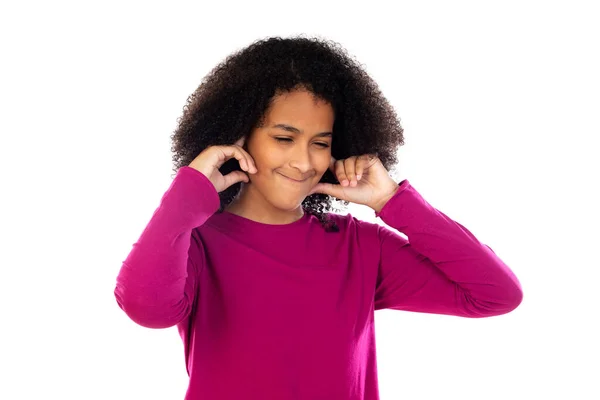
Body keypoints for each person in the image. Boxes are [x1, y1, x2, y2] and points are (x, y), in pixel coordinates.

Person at [113, 35, 523, 400]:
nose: (304, 161)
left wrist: (393, 202)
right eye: (284, 138)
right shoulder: (196, 242)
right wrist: (187, 196)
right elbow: (146, 308)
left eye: (320, 143)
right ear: (237, 138)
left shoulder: (360, 246)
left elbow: (495, 294)